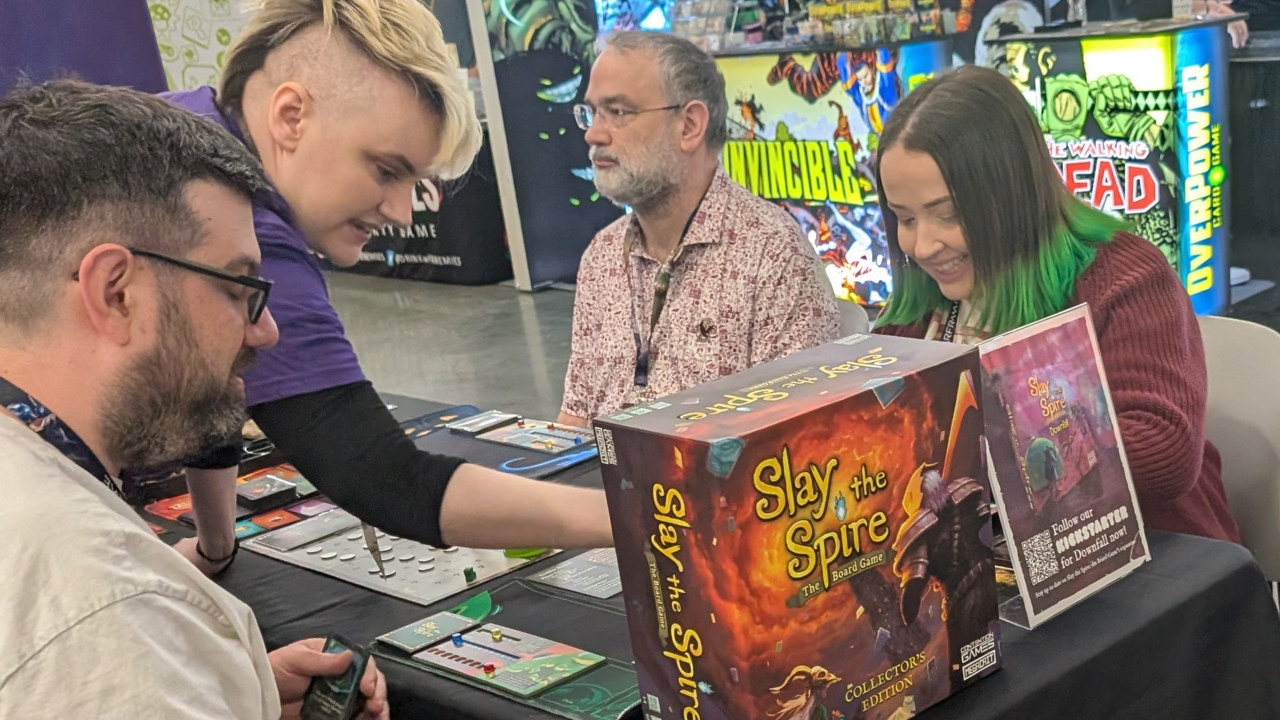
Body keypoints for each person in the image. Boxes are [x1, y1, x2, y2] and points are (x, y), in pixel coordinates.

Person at [163, 0, 612, 577]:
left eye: (415, 181)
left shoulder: (189, 125)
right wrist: (637, 519)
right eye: (384, 170)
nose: (402, 213)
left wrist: (214, 546)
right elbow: (384, 478)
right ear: (291, 116)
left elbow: (219, 383)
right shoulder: (243, 230)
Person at [0, 80, 387, 719]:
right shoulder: (113, 614)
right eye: (238, 288)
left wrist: (234, 691)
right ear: (116, 291)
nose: (265, 330)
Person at [871, 65, 1240, 543]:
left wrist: (974, 465)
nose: (922, 247)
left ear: (1013, 197)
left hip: (1148, 565)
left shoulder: (1123, 277)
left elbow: (1162, 449)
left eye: (949, 215)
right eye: (904, 219)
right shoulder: (916, 311)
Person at [558, 31, 840, 425]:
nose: (593, 134)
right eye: (591, 112)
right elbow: (575, 417)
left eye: (618, 112)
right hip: (598, 481)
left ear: (689, 125)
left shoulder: (772, 255)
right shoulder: (602, 255)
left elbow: (801, 442)